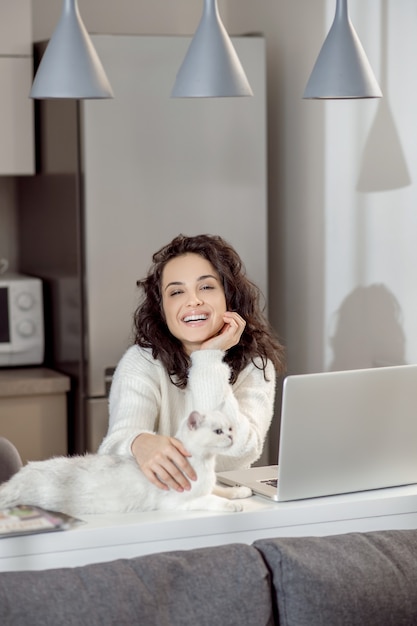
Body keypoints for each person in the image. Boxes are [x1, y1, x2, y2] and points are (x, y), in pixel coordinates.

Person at [98, 234, 286, 493]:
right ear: (162, 309)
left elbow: (240, 451)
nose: (193, 300)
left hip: (230, 505)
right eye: (176, 292)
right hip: (159, 507)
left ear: (228, 297)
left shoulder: (255, 366)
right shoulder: (141, 362)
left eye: (206, 287)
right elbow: (113, 448)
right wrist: (138, 443)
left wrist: (208, 359)